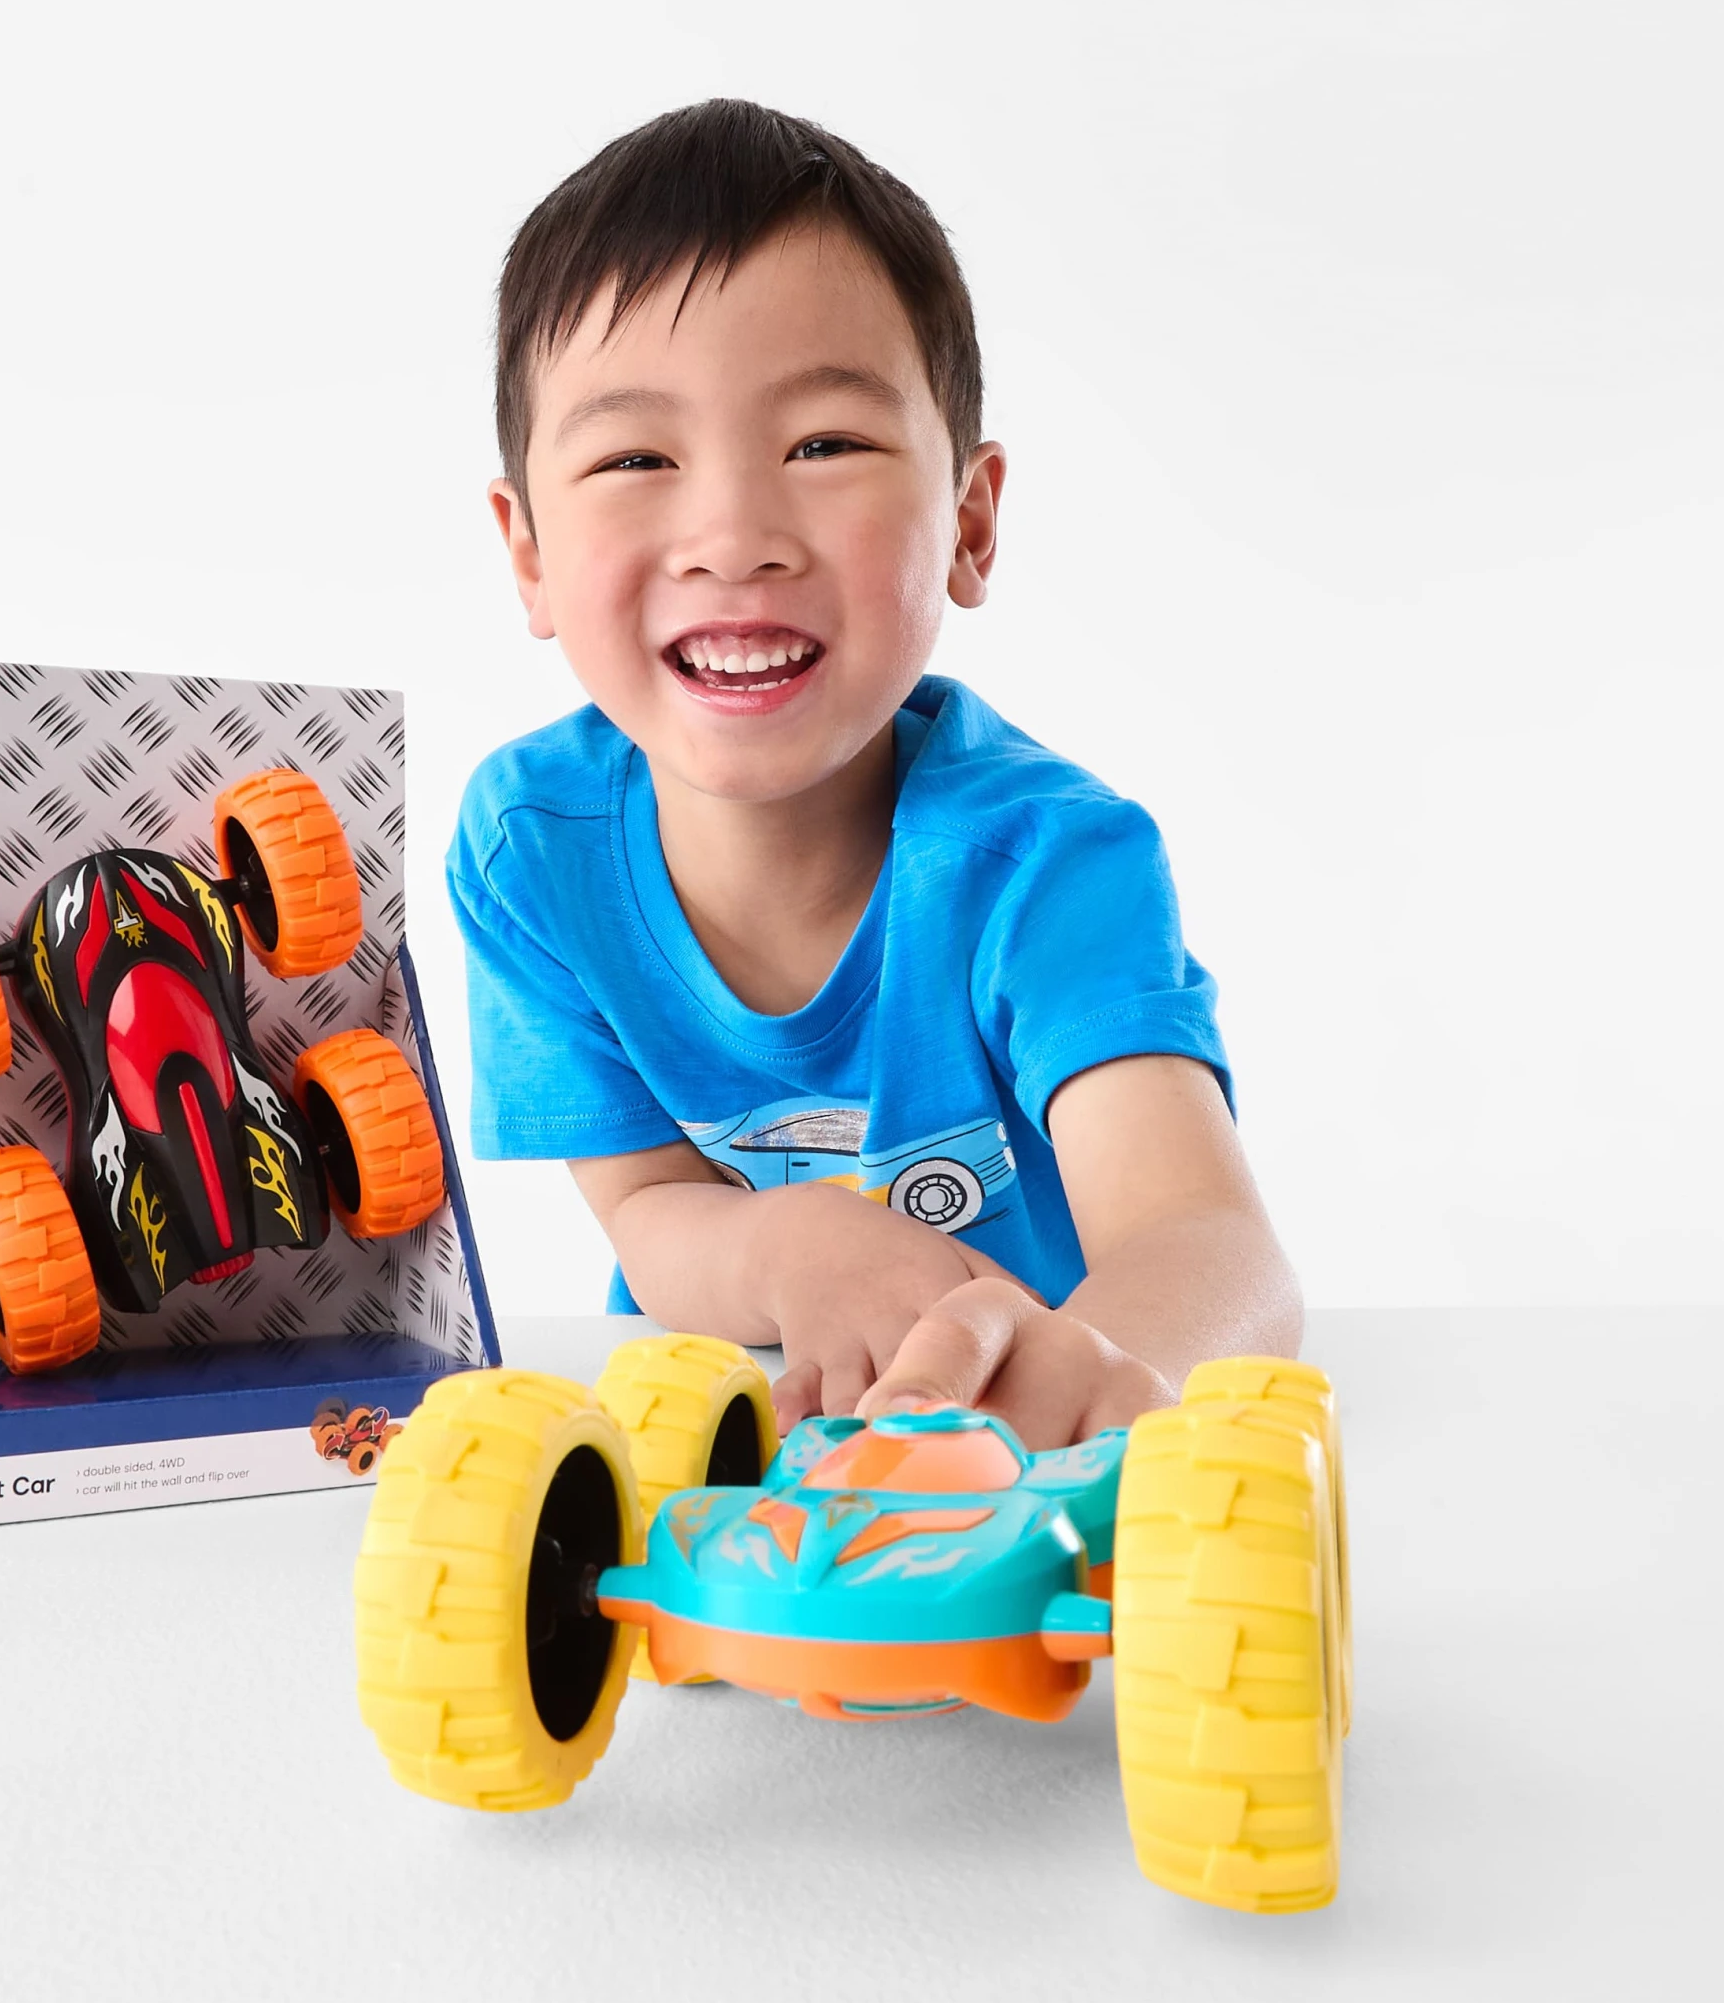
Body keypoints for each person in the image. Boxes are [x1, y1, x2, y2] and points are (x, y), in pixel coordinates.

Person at [447, 98, 1304, 1452]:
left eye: (825, 443)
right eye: (635, 457)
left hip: (1016, 1464)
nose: (733, 534)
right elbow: (647, 1209)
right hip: (729, 1467)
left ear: (969, 517)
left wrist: (1080, 1379)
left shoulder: (1048, 860)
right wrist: (787, 1248)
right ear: (529, 549)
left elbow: (1208, 1238)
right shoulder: (527, 848)